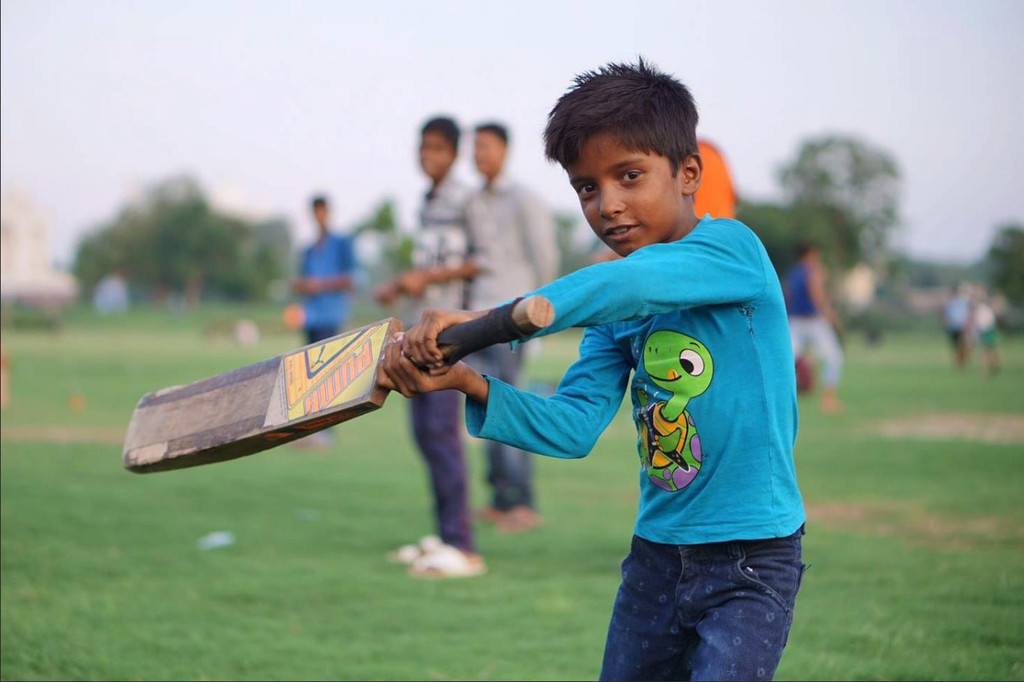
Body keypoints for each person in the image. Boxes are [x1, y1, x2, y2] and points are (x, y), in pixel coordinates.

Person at [381, 59, 806, 681]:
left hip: (752, 558)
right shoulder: (615, 317)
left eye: (629, 176)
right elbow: (573, 426)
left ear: (688, 173)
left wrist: (484, 322)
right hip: (656, 560)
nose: (608, 205)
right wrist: (467, 380)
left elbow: (630, 282)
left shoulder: (733, 250)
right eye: (586, 187)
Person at [374, 116, 484, 579]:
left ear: (454, 154)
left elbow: (482, 262)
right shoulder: (427, 202)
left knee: (440, 435)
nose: (428, 156)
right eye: (423, 147)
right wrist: (405, 283)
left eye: (437, 148)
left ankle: (463, 546)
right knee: (424, 434)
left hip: (448, 331)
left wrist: (429, 278)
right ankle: (444, 536)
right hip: (421, 329)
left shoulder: (468, 200)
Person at [466, 121, 559, 533]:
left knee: (511, 409)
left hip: (512, 320)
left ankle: (523, 503)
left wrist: (539, 319)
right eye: (475, 147)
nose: (478, 154)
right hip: (476, 319)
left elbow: (544, 257)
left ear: (504, 150)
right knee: (485, 407)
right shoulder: (473, 202)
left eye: (485, 146)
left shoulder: (523, 199)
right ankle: (500, 499)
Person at [785, 243, 845, 415]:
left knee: (787, 360)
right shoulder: (813, 270)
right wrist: (828, 313)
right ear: (809, 255)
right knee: (834, 357)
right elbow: (816, 293)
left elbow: (788, 296)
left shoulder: (793, 273)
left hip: (794, 321)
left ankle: (784, 399)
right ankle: (828, 399)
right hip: (813, 321)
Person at [292, 195, 357, 346]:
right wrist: (301, 286)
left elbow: (353, 278)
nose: (319, 216)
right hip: (311, 318)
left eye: (322, 211)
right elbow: (306, 281)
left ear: (327, 212)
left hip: (331, 318)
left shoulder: (342, 244)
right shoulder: (309, 250)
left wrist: (320, 285)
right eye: (316, 212)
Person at [943, 282, 973, 370]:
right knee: (955, 346)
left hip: (962, 327)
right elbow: (947, 314)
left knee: (963, 345)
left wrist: (967, 324)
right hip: (953, 327)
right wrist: (947, 323)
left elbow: (968, 313)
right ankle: (958, 362)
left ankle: (963, 361)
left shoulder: (964, 301)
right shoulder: (950, 302)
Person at [972, 287, 1000, 377]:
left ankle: (989, 368)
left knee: (989, 350)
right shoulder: (980, 306)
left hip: (988, 330)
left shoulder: (985, 306)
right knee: (987, 350)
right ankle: (986, 369)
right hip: (984, 330)